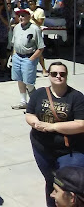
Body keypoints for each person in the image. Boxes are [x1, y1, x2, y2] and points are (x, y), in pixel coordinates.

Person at [26, 62, 84, 206]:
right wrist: (35, 123)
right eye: (54, 74)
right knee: (51, 181)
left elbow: (80, 124)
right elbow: (29, 114)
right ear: (49, 75)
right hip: (42, 148)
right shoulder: (39, 93)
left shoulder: (76, 97)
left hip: (70, 151)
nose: (58, 76)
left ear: (66, 76)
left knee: (68, 185)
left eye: (62, 74)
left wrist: (53, 127)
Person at [11, 8, 45, 109]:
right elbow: (14, 43)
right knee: (20, 80)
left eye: (23, 15)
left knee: (29, 82)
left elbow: (41, 47)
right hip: (17, 56)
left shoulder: (35, 29)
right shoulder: (16, 27)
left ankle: (35, 103)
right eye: (19, 16)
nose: (21, 18)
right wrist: (14, 56)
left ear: (29, 17)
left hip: (28, 57)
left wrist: (32, 58)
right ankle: (23, 101)